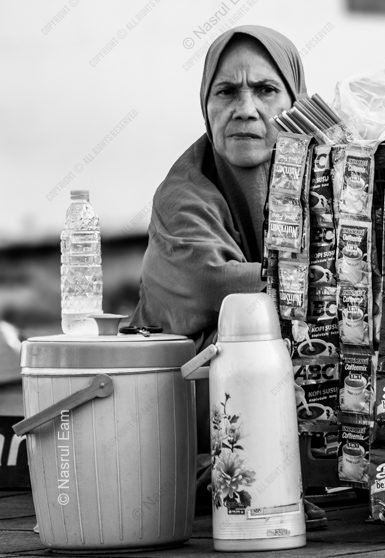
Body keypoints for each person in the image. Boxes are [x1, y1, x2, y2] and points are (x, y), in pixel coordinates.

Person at [130, 25, 326, 527]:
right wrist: (332, 279)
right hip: (188, 396)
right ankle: (252, 482)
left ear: (296, 103)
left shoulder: (325, 175)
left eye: (265, 90)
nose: (245, 109)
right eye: (227, 92)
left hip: (286, 378)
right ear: (206, 105)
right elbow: (215, 284)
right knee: (250, 339)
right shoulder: (182, 195)